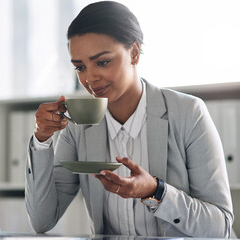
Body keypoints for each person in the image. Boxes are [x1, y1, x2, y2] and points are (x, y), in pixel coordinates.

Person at [25, 1, 233, 237]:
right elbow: (42, 221)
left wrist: (156, 192)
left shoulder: (188, 113)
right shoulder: (78, 128)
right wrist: (41, 139)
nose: (90, 78)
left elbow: (220, 228)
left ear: (134, 53)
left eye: (102, 62)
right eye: (80, 67)